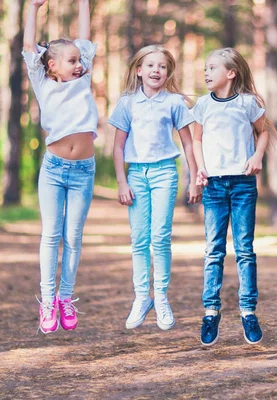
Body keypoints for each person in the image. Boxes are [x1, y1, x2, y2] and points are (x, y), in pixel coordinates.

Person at [109, 45, 201, 331]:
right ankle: (141, 297)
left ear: (168, 72)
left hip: (164, 173)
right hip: (136, 174)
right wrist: (121, 181)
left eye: (162, 66)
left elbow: (188, 142)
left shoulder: (173, 102)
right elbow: (118, 145)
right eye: (150, 65)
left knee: (160, 237)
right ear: (139, 70)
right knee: (139, 239)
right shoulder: (127, 103)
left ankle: (160, 296)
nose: (156, 71)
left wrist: (194, 177)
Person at [23, 0, 98, 333]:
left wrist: (83, 3)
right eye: (71, 61)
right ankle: (47, 300)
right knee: (51, 235)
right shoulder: (43, 82)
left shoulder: (84, 78)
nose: (79, 64)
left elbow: (84, 37)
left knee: (74, 236)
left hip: (84, 170)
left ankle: (65, 298)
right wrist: (33, 8)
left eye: (80, 59)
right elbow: (28, 46)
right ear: (52, 65)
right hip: (53, 169)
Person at [192, 48, 270, 346]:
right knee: (214, 250)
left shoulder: (248, 103)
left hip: (243, 184)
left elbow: (263, 132)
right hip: (213, 185)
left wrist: (257, 156)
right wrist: (200, 169)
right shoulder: (202, 105)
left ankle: (248, 311)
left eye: (212, 68)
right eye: (205, 68)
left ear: (231, 72)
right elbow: (197, 139)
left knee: (245, 249)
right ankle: (211, 312)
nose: (206, 73)